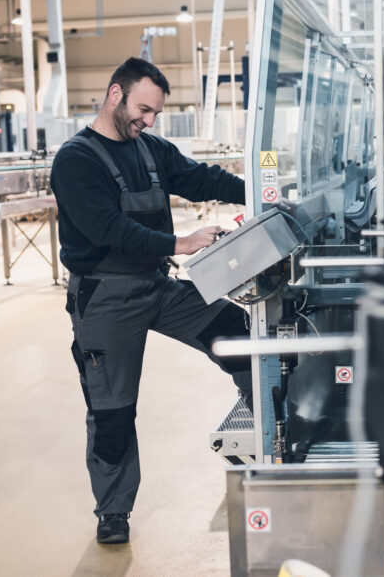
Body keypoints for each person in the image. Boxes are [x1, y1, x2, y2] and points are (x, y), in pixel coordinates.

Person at [50, 57, 250, 545]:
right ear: (115, 94)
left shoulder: (149, 148)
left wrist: (263, 193)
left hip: (156, 286)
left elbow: (201, 179)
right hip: (106, 297)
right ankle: (113, 511)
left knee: (239, 332)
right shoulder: (76, 160)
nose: (150, 120)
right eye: (144, 110)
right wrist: (180, 242)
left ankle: (269, 423)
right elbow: (108, 229)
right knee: (113, 411)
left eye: (156, 112)